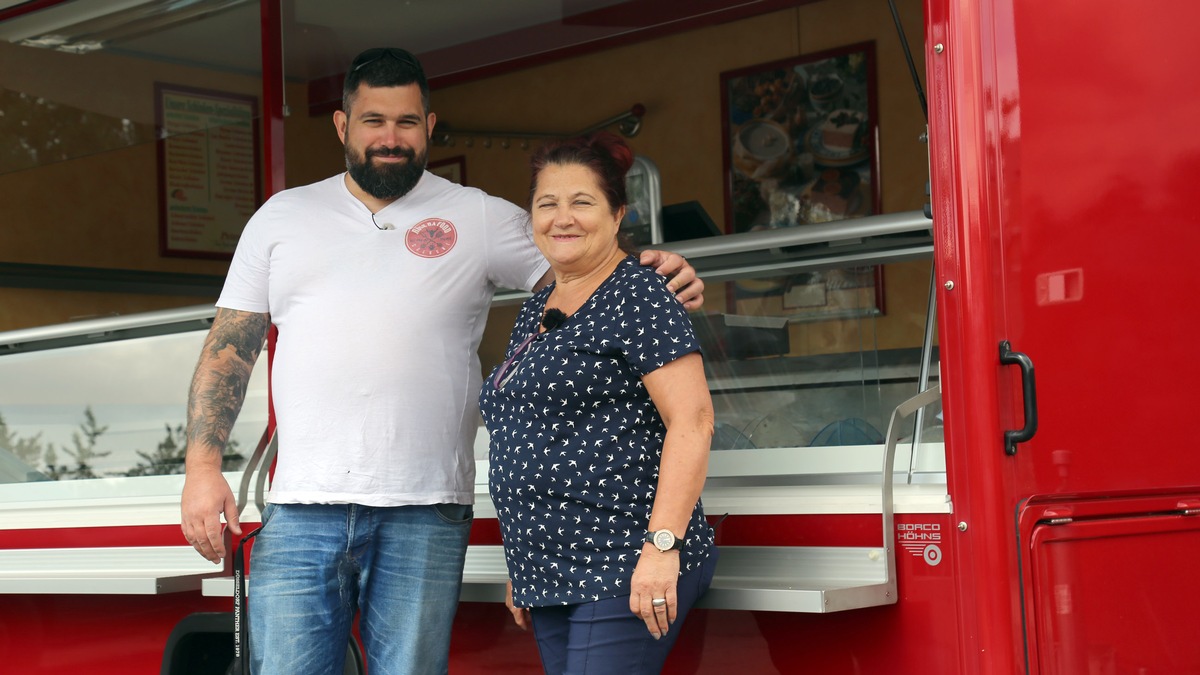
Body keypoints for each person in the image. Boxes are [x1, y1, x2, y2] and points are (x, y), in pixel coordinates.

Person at [179, 48, 704, 675]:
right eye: (373, 121)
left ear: (429, 127)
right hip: (300, 509)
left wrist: (659, 269)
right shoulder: (282, 217)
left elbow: (586, 264)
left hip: (426, 510)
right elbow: (229, 348)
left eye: (407, 122)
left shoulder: (480, 215)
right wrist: (202, 466)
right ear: (344, 127)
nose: (390, 138)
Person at [479, 132, 717, 674]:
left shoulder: (638, 293)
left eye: (581, 202)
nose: (562, 218)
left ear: (616, 215)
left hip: (623, 559)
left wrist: (661, 549)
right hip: (550, 569)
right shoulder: (537, 305)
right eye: (547, 204)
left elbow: (694, 420)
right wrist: (527, 563)